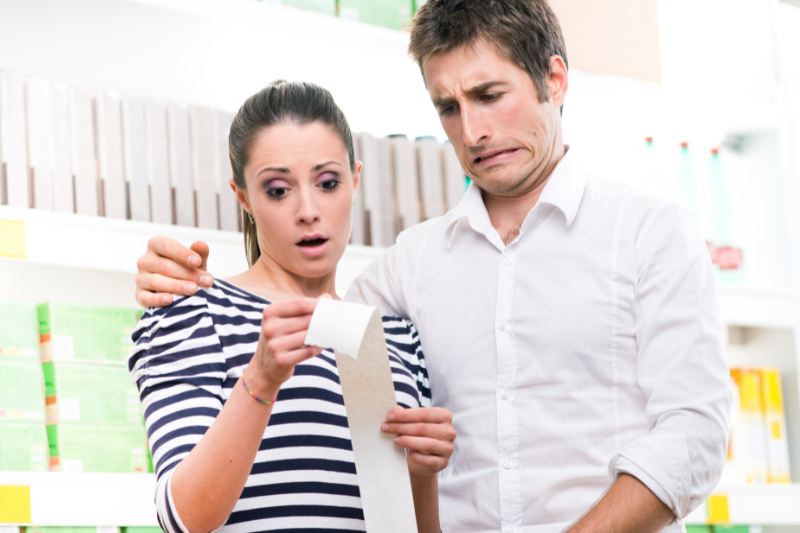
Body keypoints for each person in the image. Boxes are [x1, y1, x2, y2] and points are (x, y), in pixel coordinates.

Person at [134, 1, 731, 531]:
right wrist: (172, 275)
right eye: (448, 107)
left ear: (555, 79)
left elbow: (695, 436)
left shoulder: (649, 233)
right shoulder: (410, 268)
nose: (472, 130)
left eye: (490, 95)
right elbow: (306, 303)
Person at [129, 80, 455, 533]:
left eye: (327, 183)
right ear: (243, 196)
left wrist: (422, 477)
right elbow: (183, 518)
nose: (308, 210)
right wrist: (260, 380)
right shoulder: (193, 313)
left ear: (355, 181)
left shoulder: (395, 339)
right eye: (278, 190)